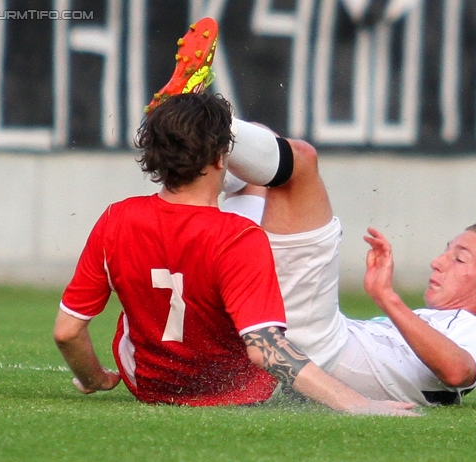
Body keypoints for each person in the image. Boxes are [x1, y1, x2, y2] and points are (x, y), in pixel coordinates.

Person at [53, 18, 416, 416]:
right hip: (238, 390)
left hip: (150, 385)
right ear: (221, 156)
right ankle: (213, 125)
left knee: (257, 185)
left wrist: (95, 378)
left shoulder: (115, 218)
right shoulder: (239, 236)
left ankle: (188, 122)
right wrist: (357, 403)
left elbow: (67, 332)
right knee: (271, 176)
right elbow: (265, 349)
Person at [221, 131, 476, 407]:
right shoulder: (424, 320)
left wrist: (387, 297)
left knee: (297, 160)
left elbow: (457, 373)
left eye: (459, 259)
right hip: (297, 335)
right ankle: (192, 130)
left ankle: (199, 120)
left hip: (316, 341)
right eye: (446, 251)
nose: (438, 261)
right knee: (259, 167)